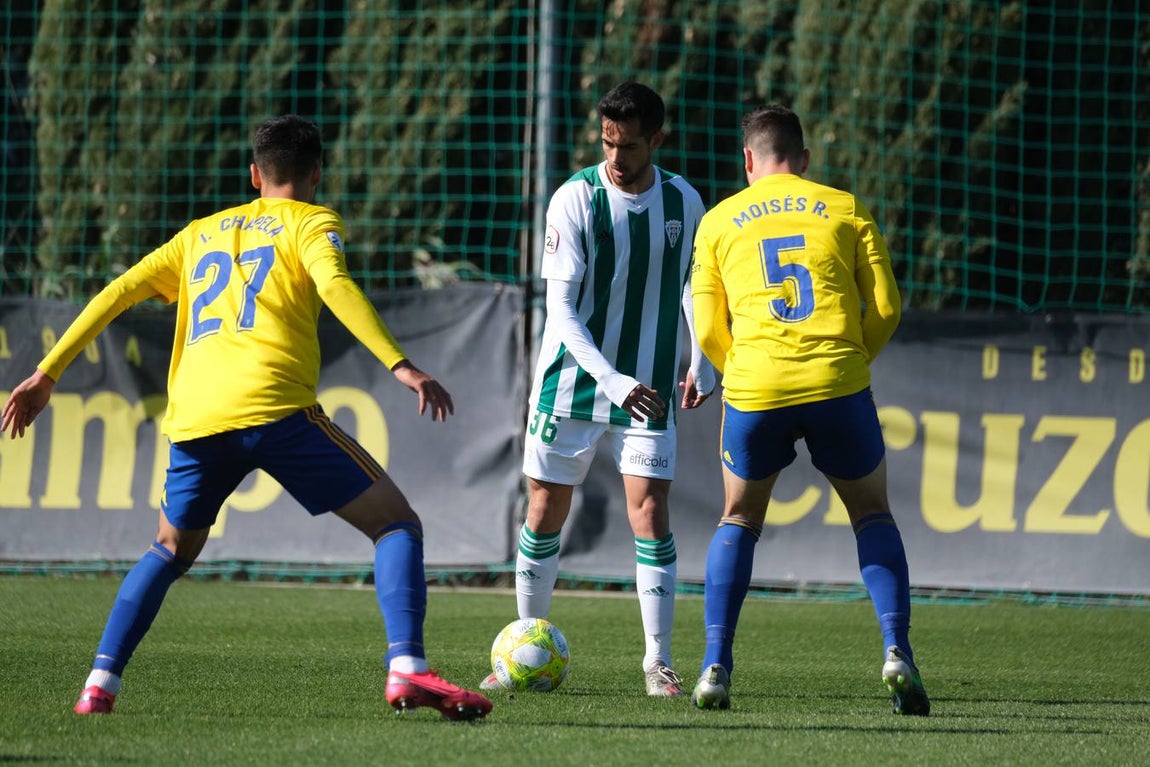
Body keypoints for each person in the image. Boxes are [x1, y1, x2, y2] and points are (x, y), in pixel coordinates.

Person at [1, 115, 492, 721]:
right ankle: (408, 670)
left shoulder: (200, 234)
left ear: (255, 174)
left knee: (168, 551)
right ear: (317, 172)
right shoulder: (313, 221)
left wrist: (47, 373)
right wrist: (399, 364)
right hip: (276, 411)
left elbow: (116, 293)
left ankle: (98, 686)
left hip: (198, 420)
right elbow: (335, 284)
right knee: (396, 525)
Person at [688, 104, 929, 715]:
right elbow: (889, 307)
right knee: (873, 515)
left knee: (738, 520)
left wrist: (738, 366)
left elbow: (708, 324)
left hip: (755, 387)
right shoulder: (844, 206)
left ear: (748, 160)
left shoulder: (718, 222)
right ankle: (896, 651)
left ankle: (716, 664)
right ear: (804, 159)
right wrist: (849, 360)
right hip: (837, 381)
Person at [481, 82, 715, 697]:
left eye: (630, 145)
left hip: (651, 385)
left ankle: (657, 663)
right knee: (543, 510)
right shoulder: (573, 200)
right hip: (574, 383)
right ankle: (523, 644)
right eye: (608, 141)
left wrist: (704, 356)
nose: (615, 156)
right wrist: (610, 379)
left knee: (652, 513)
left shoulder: (685, 202)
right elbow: (560, 311)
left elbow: (693, 289)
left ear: (657, 141)